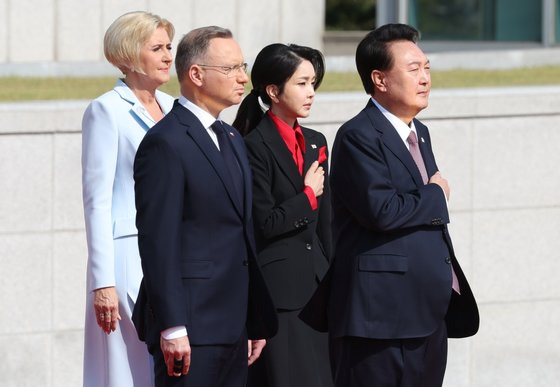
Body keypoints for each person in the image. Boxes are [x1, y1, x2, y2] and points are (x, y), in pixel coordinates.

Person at [322, 24, 480, 387]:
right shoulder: (358, 135)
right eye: (413, 69)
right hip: (379, 320)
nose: (425, 78)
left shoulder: (418, 131)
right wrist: (436, 194)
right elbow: (383, 210)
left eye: (426, 68)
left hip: (425, 313)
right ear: (379, 79)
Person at [132, 26, 278, 387]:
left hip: (233, 324)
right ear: (196, 74)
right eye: (231, 69)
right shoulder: (165, 143)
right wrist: (172, 325)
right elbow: (157, 241)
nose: (243, 77)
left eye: (242, 66)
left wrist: (252, 319)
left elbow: (240, 233)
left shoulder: (230, 137)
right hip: (191, 327)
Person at [81, 11, 175, 387]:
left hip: (170, 252)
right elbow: (96, 200)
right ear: (129, 55)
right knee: (128, 367)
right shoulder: (106, 110)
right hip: (126, 258)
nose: (169, 55)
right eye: (157, 48)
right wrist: (102, 282)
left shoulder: (173, 107)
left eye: (169, 46)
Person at [232, 44, 333, 387]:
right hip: (280, 295)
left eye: (313, 84)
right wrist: (307, 196)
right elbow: (265, 222)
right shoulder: (251, 145)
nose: (311, 93)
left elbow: (328, 225)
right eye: (302, 84)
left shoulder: (317, 141)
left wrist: (336, 278)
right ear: (273, 91)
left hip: (319, 289)